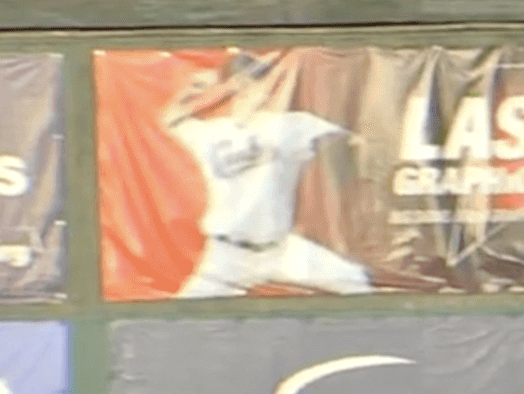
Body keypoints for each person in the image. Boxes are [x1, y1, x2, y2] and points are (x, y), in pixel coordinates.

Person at [159, 49, 374, 298]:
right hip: (227, 256)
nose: (253, 88)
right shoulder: (211, 133)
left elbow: (351, 138)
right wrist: (190, 92)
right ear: (233, 88)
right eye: (245, 81)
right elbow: (171, 120)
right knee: (185, 310)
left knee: (354, 280)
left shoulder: (289, 126)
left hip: (280, 250)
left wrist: (354, 146)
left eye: (259, 80)